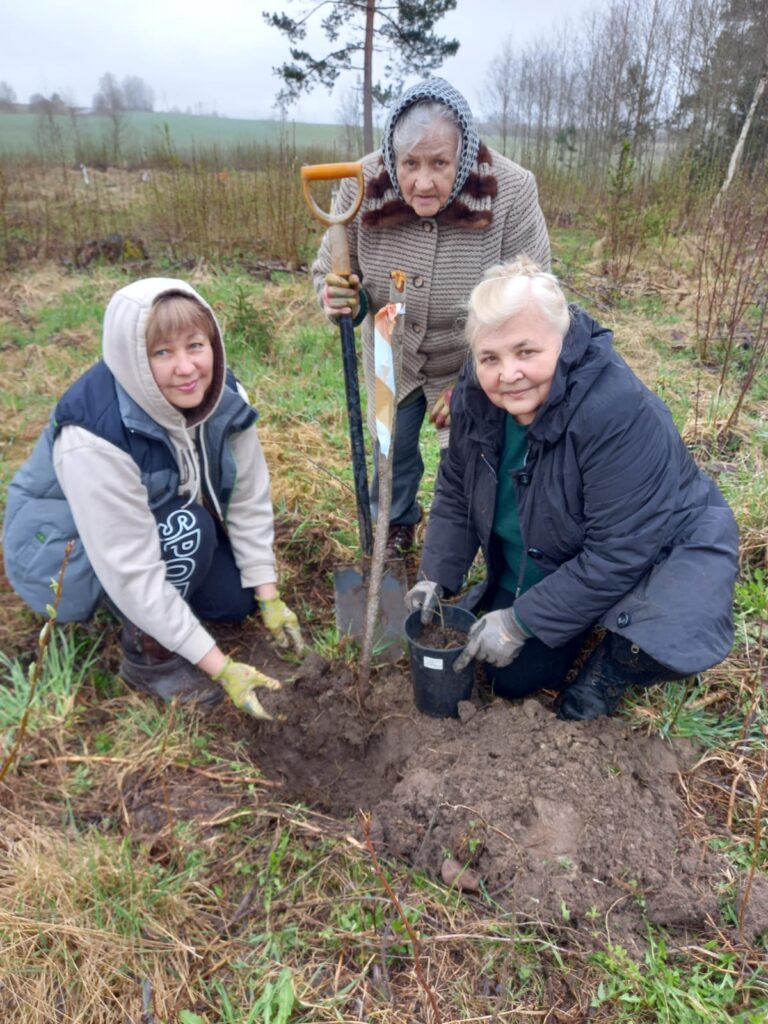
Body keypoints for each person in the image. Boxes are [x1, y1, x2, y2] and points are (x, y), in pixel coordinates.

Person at [405, 258, 739, 720]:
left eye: (526, 352)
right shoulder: (474, 398)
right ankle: (567, 614)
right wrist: (435, 574)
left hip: (661, 544)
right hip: (558, 549)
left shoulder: (618, 412)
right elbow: (457, 489)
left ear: (562, 342)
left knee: (667, 626)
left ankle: (616, 665)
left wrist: (520, 622)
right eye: (490, 358)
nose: (508, 374)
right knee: (511, 678)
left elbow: (619, 551)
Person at [3, 278, 305, 719]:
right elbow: (131, 568)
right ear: (134, 359)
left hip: (151, 520)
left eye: (195, 345)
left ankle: (171, 616)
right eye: (162, 353)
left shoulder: (222, 397)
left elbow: (247, 495)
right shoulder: (94, 435)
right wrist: (223, 668)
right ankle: (148, 656)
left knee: (233, 601)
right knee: (189, 528)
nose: (186, 368)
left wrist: (268, 594)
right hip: (64, 558)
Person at [313, 77, 550, 556]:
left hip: (472, 354)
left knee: (468, 455)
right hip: (389, 349)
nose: (423, 182)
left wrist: (474, 382)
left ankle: (459, 541)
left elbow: (533, 294)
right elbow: (330, 271)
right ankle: (394, 527)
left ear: (463, 153)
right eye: (410, 164)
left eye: (439, 163)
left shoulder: (510, 189)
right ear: (392, 157)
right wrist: (337, 296)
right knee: (391, 448)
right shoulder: (360, 183)